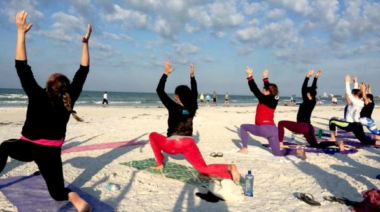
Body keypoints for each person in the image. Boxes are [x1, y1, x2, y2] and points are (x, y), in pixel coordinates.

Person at [0, 11, 91, 212]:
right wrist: (85, 43)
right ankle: (75, 198)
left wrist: (20, 33)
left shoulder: (36, 93)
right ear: (65, 89)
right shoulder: (69, 97)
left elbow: (21, 66)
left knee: (4, 146)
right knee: (57, 193)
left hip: (27, 148)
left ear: (48, 86)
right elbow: (83, 71)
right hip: (50, 153)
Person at [149, 62, 240, 182]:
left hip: (173, 145)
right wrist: (192, 76)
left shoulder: (173, 106)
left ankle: (159, 163)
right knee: (203, 169)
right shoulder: (192, 108)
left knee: (152, 135)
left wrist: (165, 73)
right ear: (189, 96)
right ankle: (229, 169)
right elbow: (195, 92)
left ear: (176, 96)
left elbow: (159, 90)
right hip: (189, 144)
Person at [238, 66, 306, 160]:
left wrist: (249, 76)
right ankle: (298, 151)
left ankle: (244, 149)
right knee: (277, 153)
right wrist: (265, 78)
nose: (262, 90)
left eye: (264, 89)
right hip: (274, 130)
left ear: (267, 91)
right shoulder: (275, 98)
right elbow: (270, 88)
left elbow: (254, 89)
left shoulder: (263, 98)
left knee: (243, 127)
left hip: (263, 128)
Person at [278, 70, 340, 149]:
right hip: (309, 127)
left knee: (281, 123)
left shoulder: (306, 101)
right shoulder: (313, 101)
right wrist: (315, 78)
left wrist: (307, 77)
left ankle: (280, 142)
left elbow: (303, 88)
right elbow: (312, 89)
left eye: (306, 92)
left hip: (301, 126)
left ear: (307, 94)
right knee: (316, 145)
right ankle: (336, 143)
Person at [329, 76, 380, 151]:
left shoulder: (355, 101)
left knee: (332, 121)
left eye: (353, 94)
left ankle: (332, 138)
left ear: (355, 95)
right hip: (358, 125)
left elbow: (349, 93)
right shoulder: (360, 101)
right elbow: (356, 92)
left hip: (349, 124)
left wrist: (347, 82)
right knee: (365, 141)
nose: (351, 95)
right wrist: (355, 82)